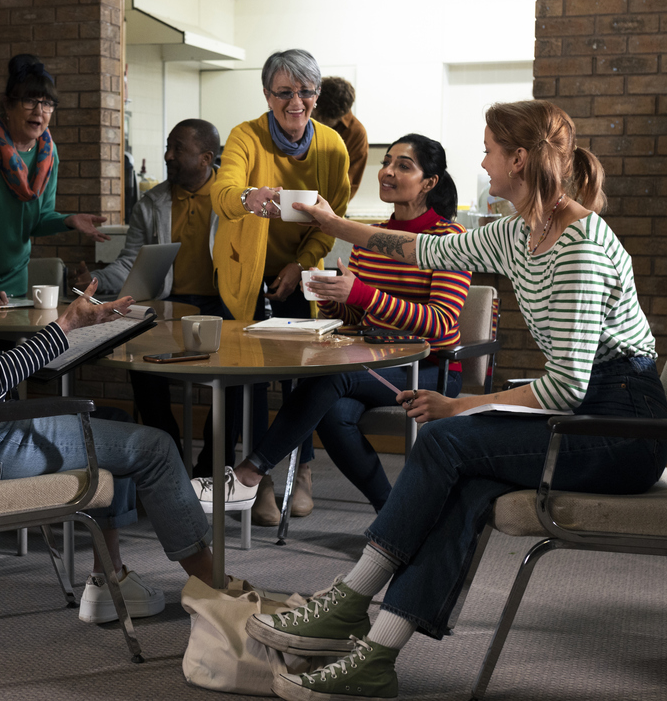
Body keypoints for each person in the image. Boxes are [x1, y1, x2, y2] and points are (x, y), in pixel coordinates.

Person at [247, 100, 667, 701]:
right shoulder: (519, 232)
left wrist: (458, 407)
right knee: (468, 482)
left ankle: (348, 602)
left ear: (518, 159)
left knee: (447, 439)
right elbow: (417, 249)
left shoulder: (577, 245)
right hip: (590, 414)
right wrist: (331, 222)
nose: (484, 161)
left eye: (490, 150)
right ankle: (376, 654)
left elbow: (567, 388)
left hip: (622, 427)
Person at [0, 136, 221, 625]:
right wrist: (66, 328)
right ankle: (217, 595)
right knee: (154, 447)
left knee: (109, 421)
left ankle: (108, 583)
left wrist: (67, 329)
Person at [194, 134, 471, 516]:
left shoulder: (450, 240)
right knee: (333, 413)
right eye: (387, 162)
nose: (387, 171)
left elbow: (440, 324)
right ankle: (392, 513)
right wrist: (331, 299)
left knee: (329, 378)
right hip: (373, 364)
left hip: (428, 369)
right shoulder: (367, 237)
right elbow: (356, 320)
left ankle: (248, 474)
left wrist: (359, 294)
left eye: (403, 166)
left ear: (429, 182)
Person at [208, 49, 351, 523]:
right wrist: (250, 196)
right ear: (267, 95)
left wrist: (301, 263)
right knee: (249, 376)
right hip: (245, 272)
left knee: (299, 374)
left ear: (317, 95)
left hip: (298, 270)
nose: (297, 102)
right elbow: (222, 192)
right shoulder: (245, 137)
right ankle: (261, 481)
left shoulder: (331, 145)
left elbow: (333, 220)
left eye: (306, 92)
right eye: (285, 92)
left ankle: (302, 471)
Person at [73, 119, 224, 456]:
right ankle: (165, 450)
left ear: (205, 158)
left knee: (235, 382)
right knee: (140, 358)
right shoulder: (150, 204)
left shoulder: (230, 199)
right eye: (167, 147)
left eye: (177, 149)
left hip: (223, 307)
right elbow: (131, 261)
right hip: (170, 305)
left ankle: (215, 466)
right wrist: (94, 281)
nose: (168, 156)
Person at [0, 54, 109, 302]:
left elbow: (37, 221)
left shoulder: (47, 152)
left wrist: (69, 220)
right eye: (30, 101)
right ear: (8, 105)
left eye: (48, 103)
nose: (39, 111)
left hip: (14, 281)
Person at [314, 76, 370, 200]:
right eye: (315, 114)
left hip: (330, 204)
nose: (317, 121)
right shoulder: (303, 115)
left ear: (340, 116)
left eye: (323, 120)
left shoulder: (356, 133)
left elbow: (350, 182)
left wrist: (332, 213)